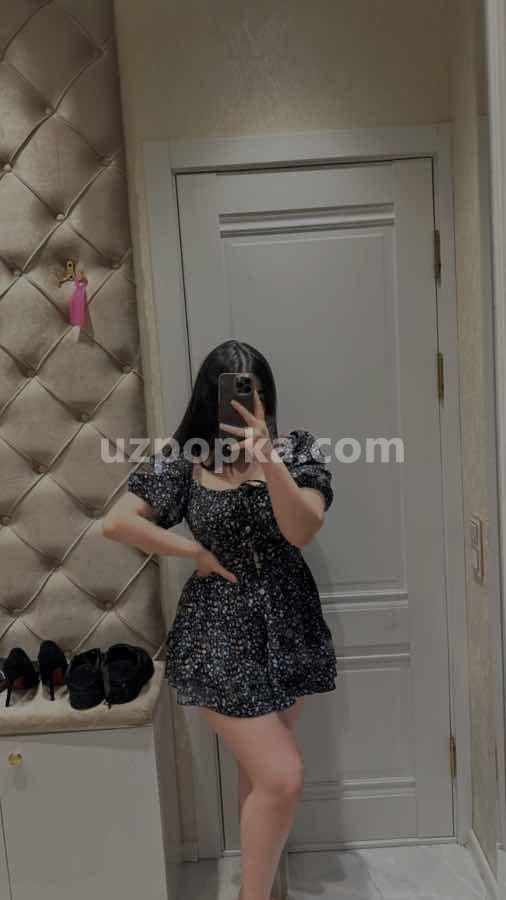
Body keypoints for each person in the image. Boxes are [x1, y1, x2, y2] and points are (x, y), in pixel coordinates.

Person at [102, 338, 337, 900]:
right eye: (231, 394)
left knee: (261, 775)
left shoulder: (296, 450)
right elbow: (117, 522)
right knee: (282, 775)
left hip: (287, 625)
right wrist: (194, 552)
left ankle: (267, 887)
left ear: (266, 395)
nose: (243, 404)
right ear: (210, 399)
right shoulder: (186, 458)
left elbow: (301, 530)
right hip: (218, 632)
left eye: (253, 392)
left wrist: (268, 458)